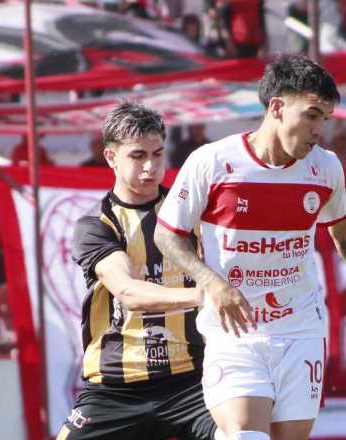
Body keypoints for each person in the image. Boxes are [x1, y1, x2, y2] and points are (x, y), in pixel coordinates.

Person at [154, 54, 346, 440]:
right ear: (277, 107)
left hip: (300, 330)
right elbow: (167, 235)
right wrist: (214, 283)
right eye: (311, 115)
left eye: (325, 118)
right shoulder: (213, 162)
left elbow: (343, 228)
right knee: (246, 435)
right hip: (235, 331)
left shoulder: (325, 168)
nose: (318, 129)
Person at [56, 102, 215, 440]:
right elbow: (128, 292)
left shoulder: (191, 215)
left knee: (241, 434)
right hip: (116, 387)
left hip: (192, 381)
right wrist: (204, 294)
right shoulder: (96, 225)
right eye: (138, 155)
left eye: (158, 154)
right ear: (111, 157)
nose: (151, 166)